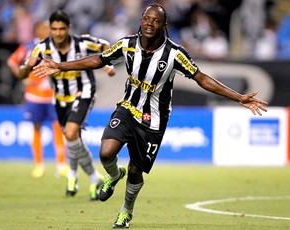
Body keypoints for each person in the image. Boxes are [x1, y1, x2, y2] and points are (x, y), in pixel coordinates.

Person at [33, 4, 268, 228]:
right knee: (106, 152)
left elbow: (202, 78)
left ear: (163, 26)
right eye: (146, 18)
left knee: (136, 170)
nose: (150, 23)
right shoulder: (126, 45)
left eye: (156, 20)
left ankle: (126, 210)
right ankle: (114, 175)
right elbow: (99, 59)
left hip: (153, 120)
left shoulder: (174, 54)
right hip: (127, 108)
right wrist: (61, 66)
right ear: (141, 21)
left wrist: (239, 98)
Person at [19, 10, 115, 200]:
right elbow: (24, 71)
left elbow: (105, 45)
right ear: (50, 29)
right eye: (54, 29)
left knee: (71, 133)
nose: (58, 33)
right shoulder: (41, 48)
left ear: (68, 28)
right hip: (60, 99)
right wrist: (26, 69)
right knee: (73, 139)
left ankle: (75, 175)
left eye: (62, 29)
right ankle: (93, 178)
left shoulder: (82, 42)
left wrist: (106, 63)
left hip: (83, 93)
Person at [7, 20, 69, 178]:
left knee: (59, 128)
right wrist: (23, 78)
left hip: (54, 95)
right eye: (45, 28)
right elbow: (12, 62)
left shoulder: (58, 47)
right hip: (34, 96)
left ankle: (61, 165)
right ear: (37, 31)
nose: (49, 31)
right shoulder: (28, 47)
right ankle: (39, 165)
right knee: (36, 129)